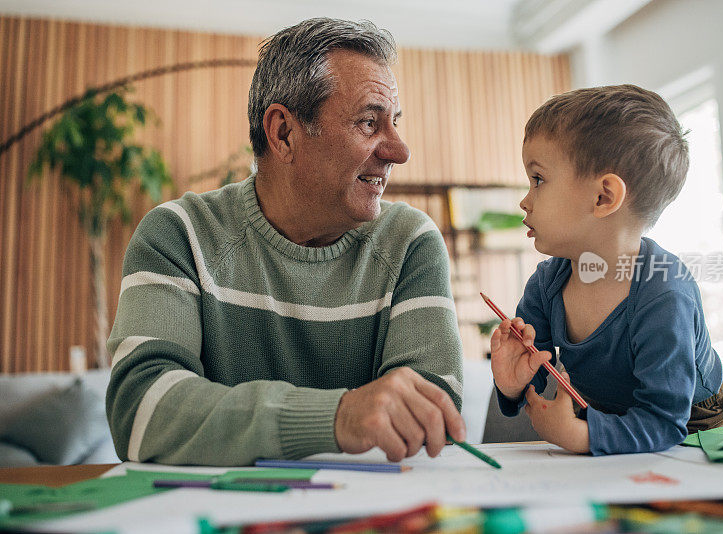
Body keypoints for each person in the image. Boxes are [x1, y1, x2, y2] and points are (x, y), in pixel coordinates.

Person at [106, 18, 466, 466]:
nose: (400, 150)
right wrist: (335, 417)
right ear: (284, 133)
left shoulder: (411, 242)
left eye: (394, 123)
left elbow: (432, 420)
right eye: (370, 123)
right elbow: (141, 412)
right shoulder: (177, 235)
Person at [490, 85, 723, 456]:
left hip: (689, 416)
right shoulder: (546, 283)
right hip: (608, 406)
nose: (525, 200)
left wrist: (580, 437)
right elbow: (535, 372)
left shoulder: (664, 291)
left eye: (538, 179)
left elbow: (664, 420)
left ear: (604, 197)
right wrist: (512, 383)